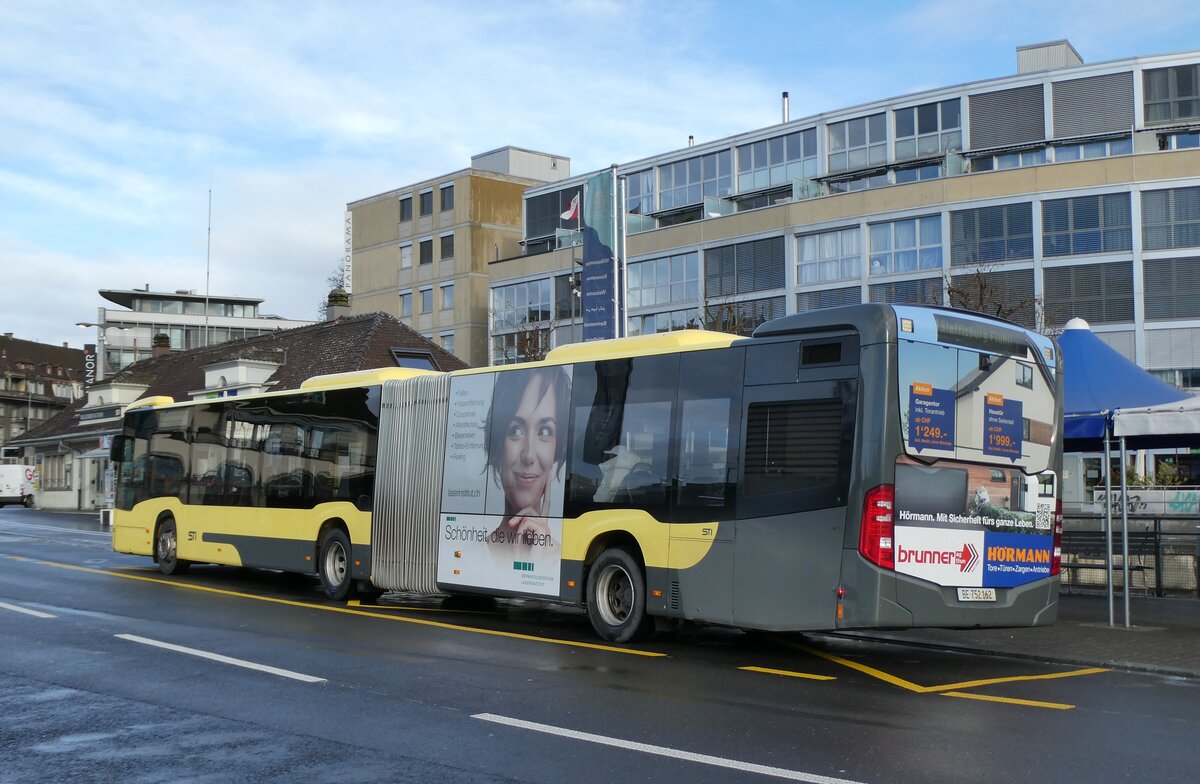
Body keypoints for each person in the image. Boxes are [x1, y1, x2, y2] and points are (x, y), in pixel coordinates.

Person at [483, 367, 570, 552]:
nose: (529, 455)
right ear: (498, 445)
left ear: (557, 448)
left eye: (544, 431)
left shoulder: (561, 560)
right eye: (516, 430)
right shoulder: (469, 556)